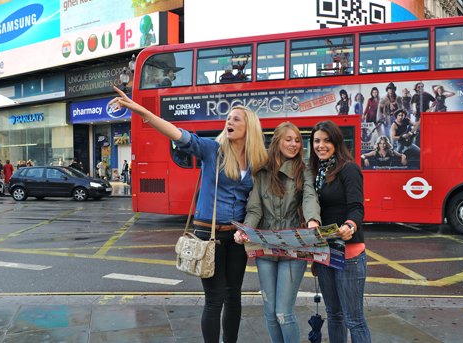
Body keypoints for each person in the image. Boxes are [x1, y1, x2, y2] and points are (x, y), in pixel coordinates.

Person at [108, 86, 268, 343]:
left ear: (249, 127)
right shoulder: (211, 150)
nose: (229, 121)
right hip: (209, 233)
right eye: (228, 118)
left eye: (236, 119)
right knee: (215, 299)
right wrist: (138, 109)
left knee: (234, 297)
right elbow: (177, 134)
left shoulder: (256, 159)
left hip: (238, 236)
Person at [235, 122, 321, 343]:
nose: (294, 144)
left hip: (294, 248)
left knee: (283, 312)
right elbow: (255, 209)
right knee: (270, 312)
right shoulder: (262, 172)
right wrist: (245, 230)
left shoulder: (304, 170)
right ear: (277, 142)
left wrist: (313, 220)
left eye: (297, 140)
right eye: (288, 139)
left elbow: (310, 196)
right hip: (265, 248)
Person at [309, 120, 371, 342]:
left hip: (349, 252)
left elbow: (357, 207)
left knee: (354, 319)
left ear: (336, 142)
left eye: (326, 140)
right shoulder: (316, 173)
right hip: (325, 253)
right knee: (334, 315)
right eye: (316, 141)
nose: (321, 145)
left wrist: (350, 225)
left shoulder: (348, 168)